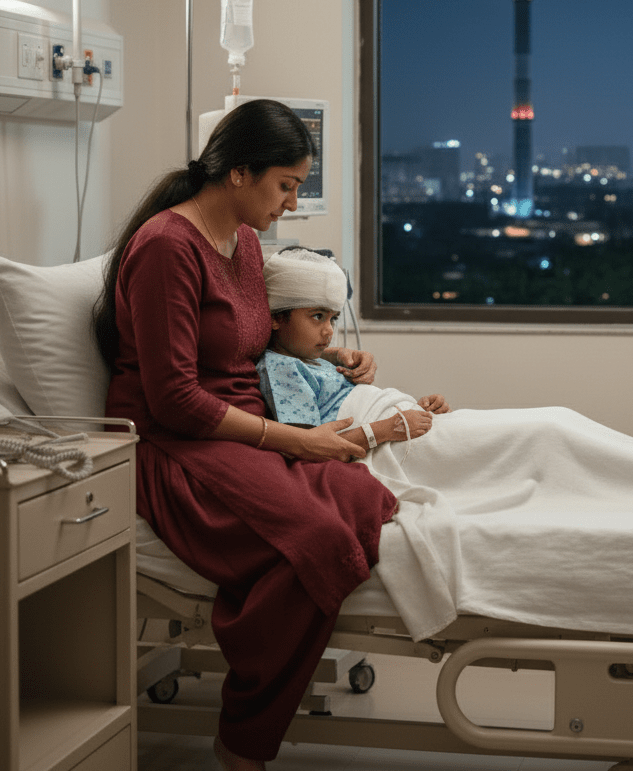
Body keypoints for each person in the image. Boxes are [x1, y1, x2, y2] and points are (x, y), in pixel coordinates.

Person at [94, 99, 398, 771]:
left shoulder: (245, 242)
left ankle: (262, 637)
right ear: (238, 172)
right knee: (320, 541)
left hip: (240, 429)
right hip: (177, 447)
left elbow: (247, 346)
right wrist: (296, 442)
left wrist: (330, 358)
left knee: (365, 500)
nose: (292, 202)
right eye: (285, 185)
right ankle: (244, 737)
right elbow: (175, 399)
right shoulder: (167, 248)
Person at [256, 247, 449, 454]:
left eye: (333, 319)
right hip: (387, 436)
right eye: (318, 316)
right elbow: (310, 446)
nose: (329, 331)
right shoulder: (282, 367)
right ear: (276, 318)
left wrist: (419, 409)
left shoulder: (312, 360)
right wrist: (388, 428)